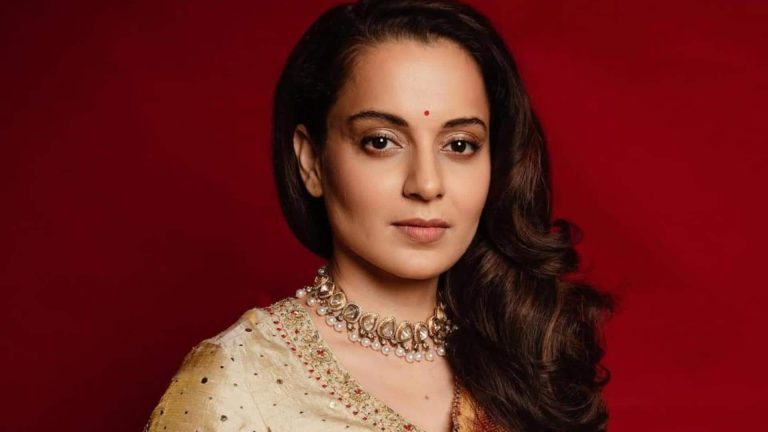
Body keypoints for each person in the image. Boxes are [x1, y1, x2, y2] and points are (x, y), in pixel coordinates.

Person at [143, 0, 613, 431]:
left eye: (459, 145)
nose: (426, 184)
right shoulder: (238, 382)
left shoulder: (526, 356)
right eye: (381, 141)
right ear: (311, 162)